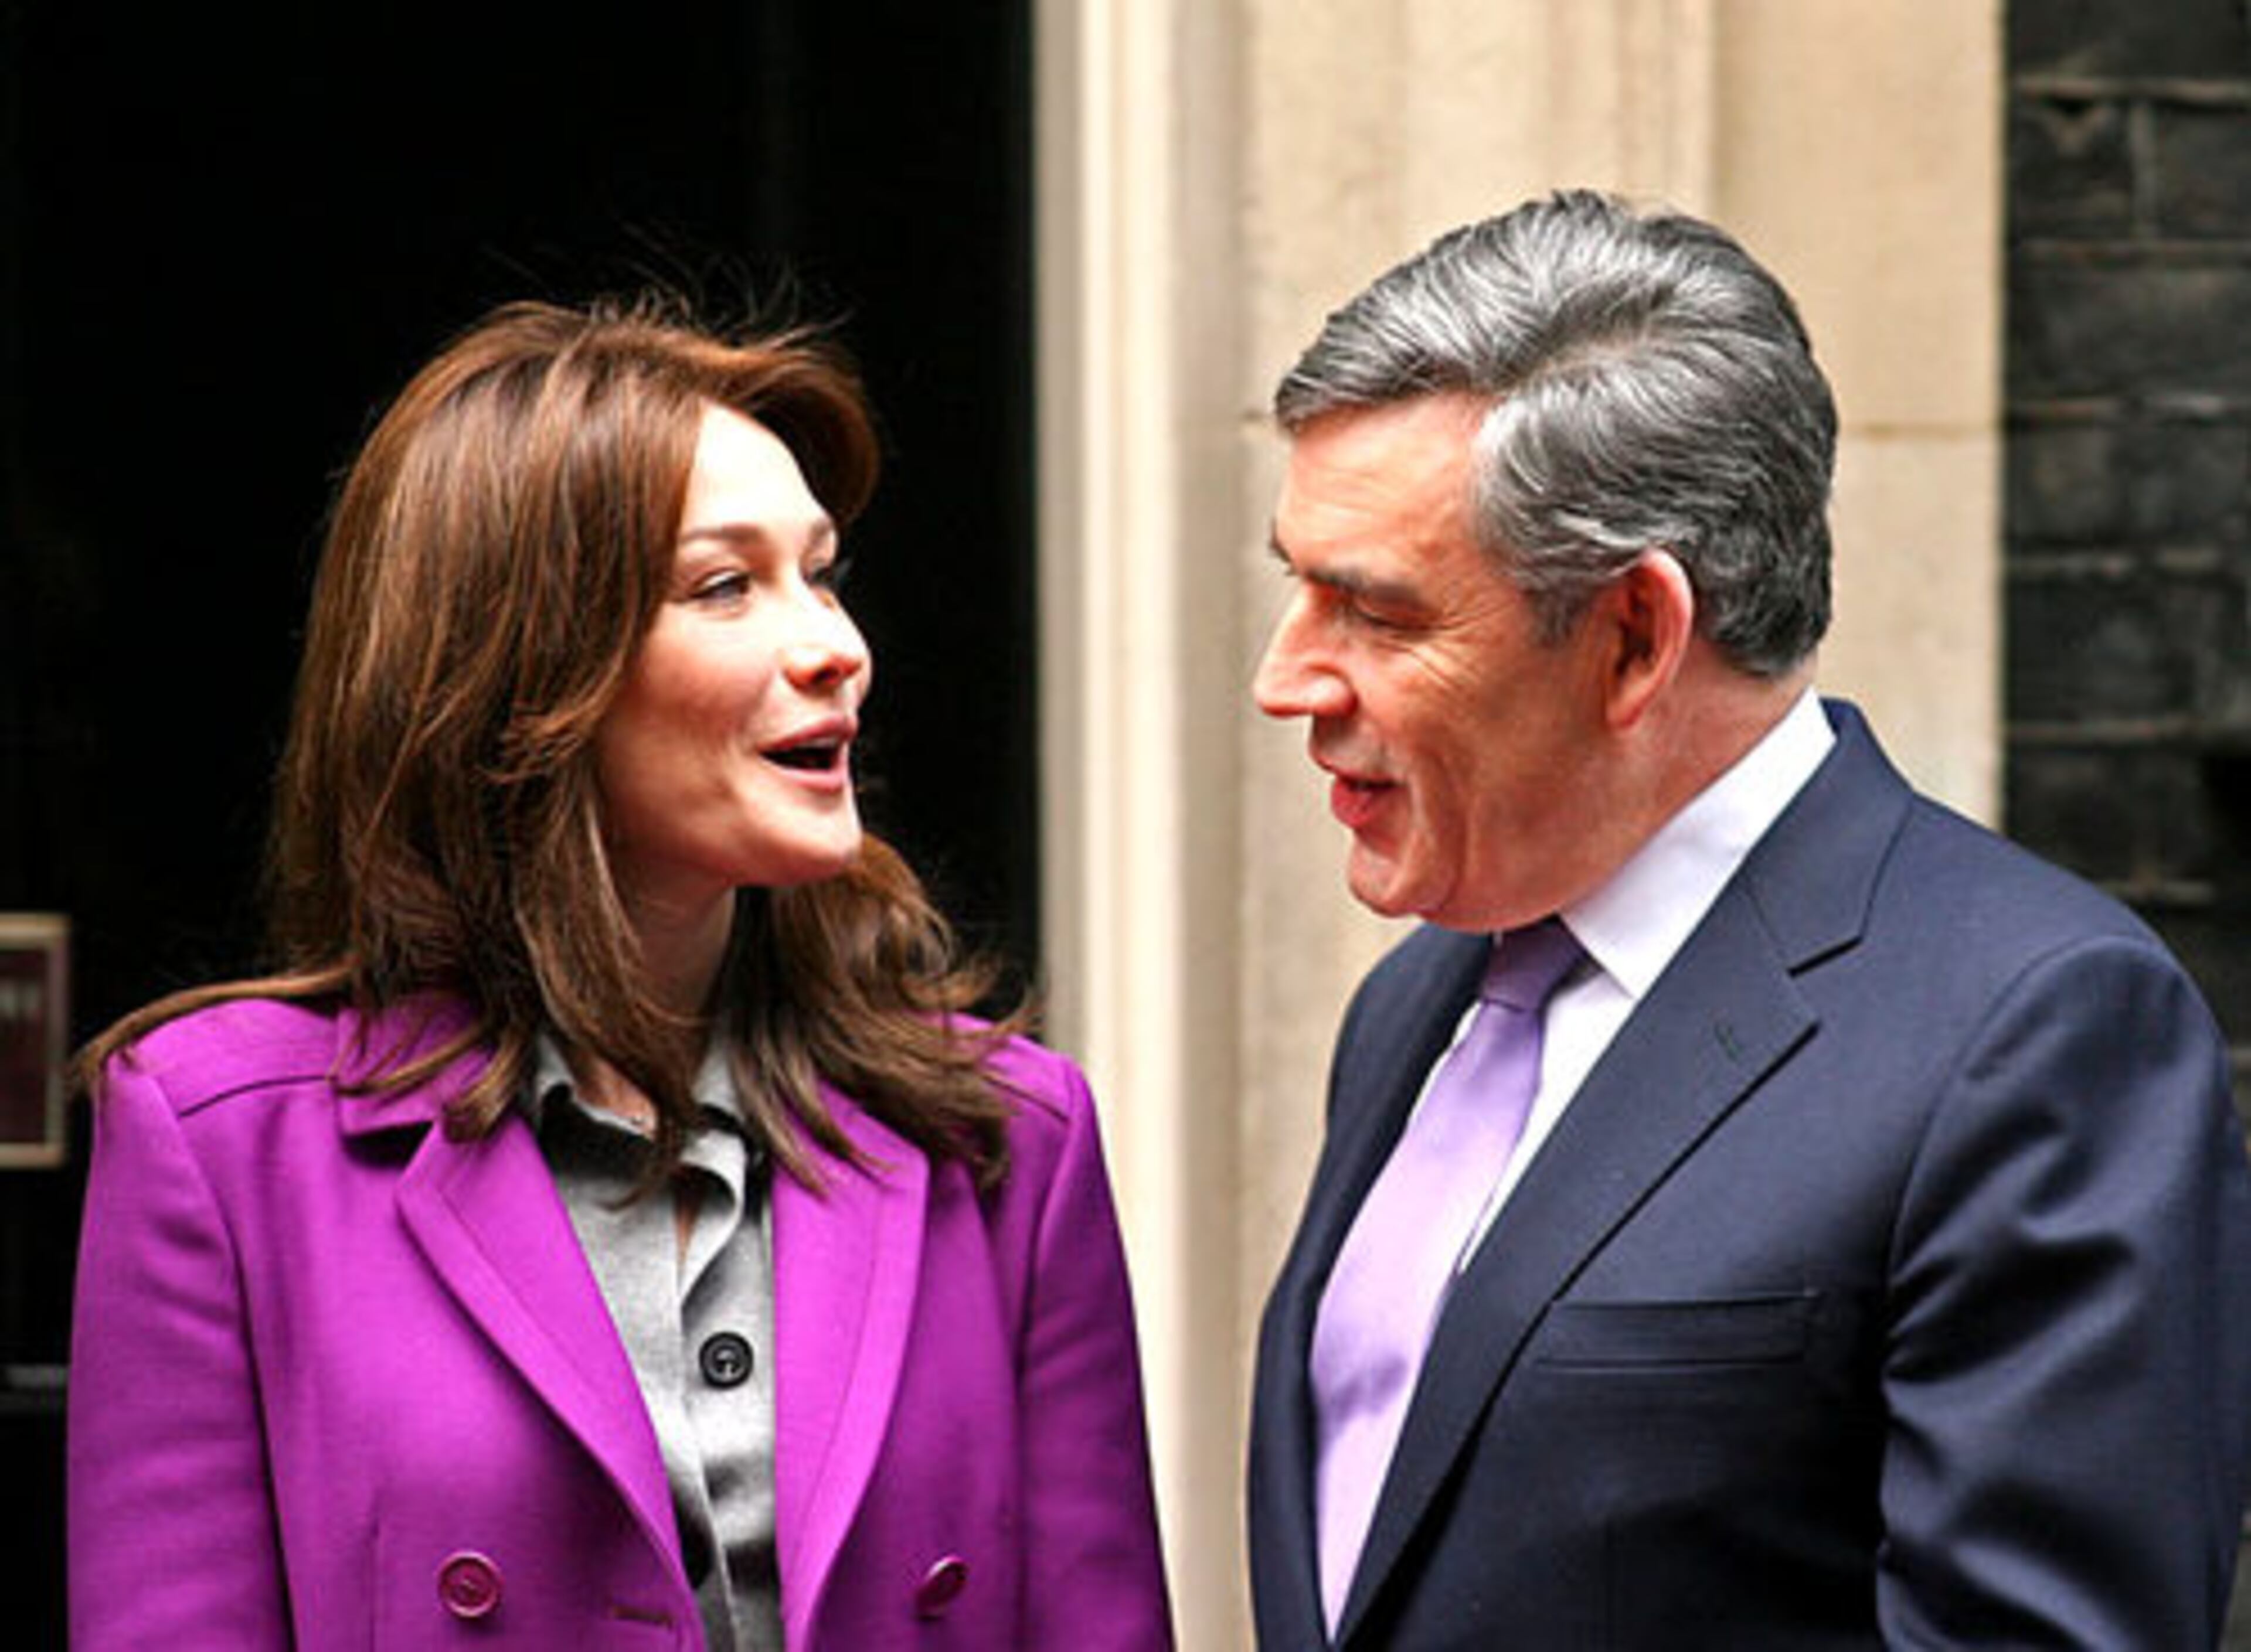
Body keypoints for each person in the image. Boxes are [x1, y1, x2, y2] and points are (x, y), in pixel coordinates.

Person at [68, 298, 1174, 1651]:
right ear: (527, 672)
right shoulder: (219, 1143)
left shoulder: (1005, 1137)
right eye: (727, 586)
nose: (837, 645)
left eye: (821, 572)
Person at [1244, 189, 2251, 1648]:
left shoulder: (2037, 1030)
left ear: (1637, 637)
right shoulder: (1415, 1006)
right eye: (1299, 592)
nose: (1289, 679)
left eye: (1380, 615)